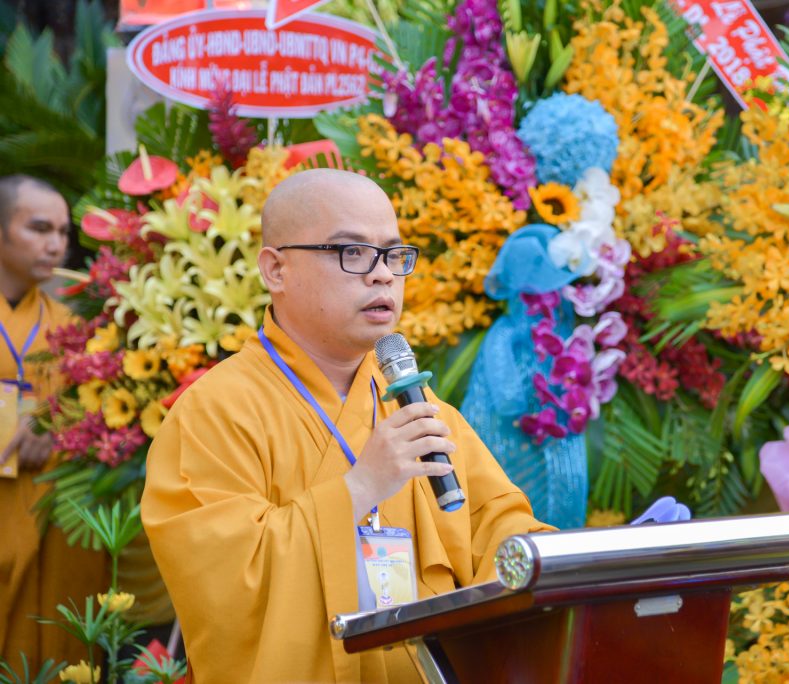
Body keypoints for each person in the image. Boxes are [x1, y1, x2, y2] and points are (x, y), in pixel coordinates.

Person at [141, 169, 553, 683]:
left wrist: (564, 562)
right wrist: (360, 488)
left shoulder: (422, 410)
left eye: (393, 255)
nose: (382, 275)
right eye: (352, 252)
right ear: (276, 269)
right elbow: (224, 582)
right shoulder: (214, 412)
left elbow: (498, 529)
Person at [0, 175, 108, 668]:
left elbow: (98, 402)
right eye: (40, 228)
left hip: (58, 508)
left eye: (63, 232)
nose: (56, 245)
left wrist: (53, 425)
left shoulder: (72, 325)